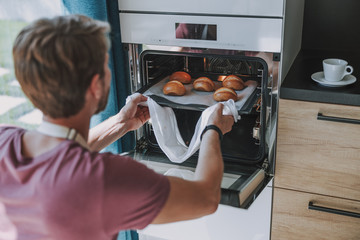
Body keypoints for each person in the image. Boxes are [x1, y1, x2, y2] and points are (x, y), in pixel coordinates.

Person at [0, 15, 234, 240]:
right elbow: (205, 198)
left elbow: (56, 160)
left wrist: (119, 125)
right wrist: (211, 129)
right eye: (105, 66)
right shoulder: (105, 179)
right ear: (95, 86)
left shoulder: (4, 139)